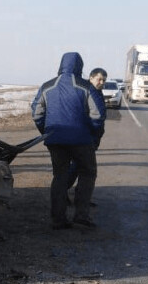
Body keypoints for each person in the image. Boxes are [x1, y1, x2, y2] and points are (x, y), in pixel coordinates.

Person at [31, 52, 106, 230]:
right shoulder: (86, 87)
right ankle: (81, 215)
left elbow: (37, 114)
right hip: (82, 140)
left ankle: (58, 219)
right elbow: (98, 116)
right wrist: (92, 134)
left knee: (60, 176)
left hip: (55, 140)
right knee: (87, 174)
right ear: (80, 66)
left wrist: (48, 131)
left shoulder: (46, 86)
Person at [67, 68, 107, 192]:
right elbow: (98, 116)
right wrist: (94, 132)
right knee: (81, 169)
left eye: (103, 80)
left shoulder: (95, 91)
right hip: (86, 137)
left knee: (79, 167)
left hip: (87, 136)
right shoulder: (90, 91)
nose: (101, 82)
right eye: (99, 79)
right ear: (91, 78)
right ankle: (69, 193)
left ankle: (75, 193)